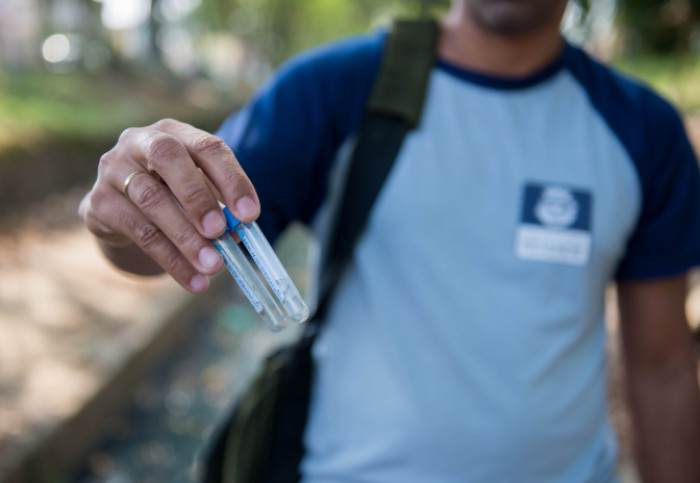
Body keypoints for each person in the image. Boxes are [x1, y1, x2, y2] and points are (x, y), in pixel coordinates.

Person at [79, 0, 700, 480]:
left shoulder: (641, 130)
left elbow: (665, 367)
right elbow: (170, 241)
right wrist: (118, 214)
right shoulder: (335, 89)